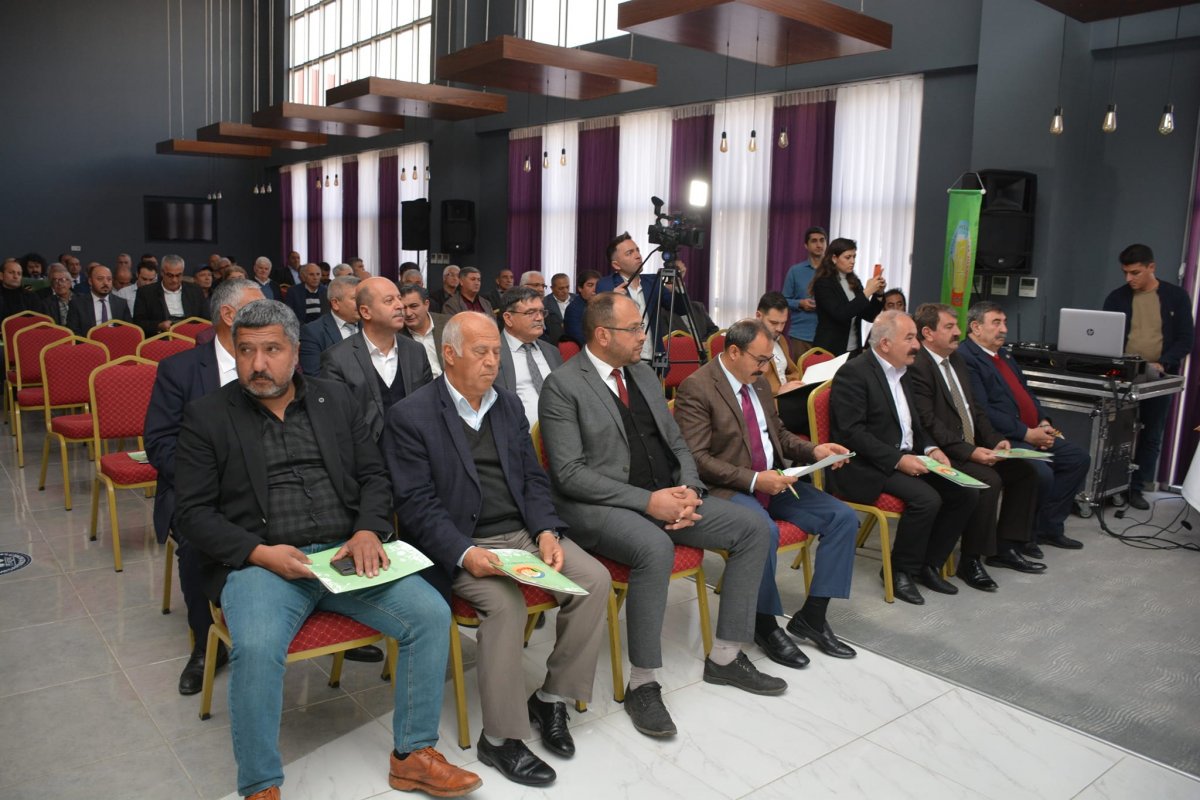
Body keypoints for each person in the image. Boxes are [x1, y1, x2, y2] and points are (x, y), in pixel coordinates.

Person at [173, 299, 481, 800]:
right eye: (246, 351)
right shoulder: (208, 416)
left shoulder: (335, 399)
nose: (257, 363)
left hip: (344, 555)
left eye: (271, 350)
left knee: (430, 613)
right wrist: (258, 553)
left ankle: (413, 756)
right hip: (264, 563)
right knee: (257, 646)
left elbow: (375, 476)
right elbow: (192, 513)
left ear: (295, 353)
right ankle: (260, 785)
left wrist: (368, 530)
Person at [539, 292, 785, 739]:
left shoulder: (643, 375)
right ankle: (643, 684)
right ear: (602, 335)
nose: (643, 336)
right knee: (654, 547)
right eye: (634, 329)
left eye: (642, 327)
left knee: (753, 528)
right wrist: (649, 502)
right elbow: (570, 474)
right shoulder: (563, 385)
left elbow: (678, 444)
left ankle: (726, 657)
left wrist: (689, 489)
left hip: (666, 496)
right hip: (600, 508)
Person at [384, 312, 608, 786]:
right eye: (480, 351)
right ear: (449, 354)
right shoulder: (411, 415)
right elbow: (416, 505)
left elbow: (532, 478)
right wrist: (465, 554)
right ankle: (501, 739)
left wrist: (546, 530)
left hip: (522, 534)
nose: (492, 361)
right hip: (462, 542)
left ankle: (549, 699)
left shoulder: (507, 404)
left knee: (594, 579)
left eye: (496, 352)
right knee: (505, 606)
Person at [675, 319, 860, 666]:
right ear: (733, 352)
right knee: (764, 530)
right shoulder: (696, 387)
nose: (765, 368)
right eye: (760, 360)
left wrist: (815, 450)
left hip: (774, 480)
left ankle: (813, 617)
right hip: (727, 488)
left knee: (842, 518)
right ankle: (764, 623)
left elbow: (778, 435)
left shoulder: (757, 383)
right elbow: (697, 459)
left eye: (768, 360)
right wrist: (754, 480)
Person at [144, 279, 269, 696]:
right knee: (198, 541)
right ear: (229, 316)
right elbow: (160, 443)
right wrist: (208, 479)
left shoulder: (276, 363)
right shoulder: (179, 370)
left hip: (268, 485)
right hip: (197, 490)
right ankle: (205, 644)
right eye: (258, 307)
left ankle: (320, 619)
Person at [829, 310, 979, 605]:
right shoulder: (854, 373)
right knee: (927, 499)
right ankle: (900, 572)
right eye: (909, 338)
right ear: (885, 344)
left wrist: (931, 448)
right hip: (866, 464)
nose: (917, 345)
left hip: (906, 455)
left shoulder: (903, 370)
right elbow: (852, 433)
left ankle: (929, 565)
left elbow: (915, 425)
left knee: (965, 492)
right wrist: (898, 461)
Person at [908, 303, 1044, 590]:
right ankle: (971, 560)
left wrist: (994, 439)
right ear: (928, 333)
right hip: (943, 451)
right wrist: (969, 452)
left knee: (1025, 472)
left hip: (970, 443)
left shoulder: (956, 360)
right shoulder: (919, 366)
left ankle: (1005, 547)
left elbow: (975, 409)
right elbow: (927, 422)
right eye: (950, 327)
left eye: (957, 325)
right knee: (989, 480)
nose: (958, 332)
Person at [959, 301, 1088, 552]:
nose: (1004, 329)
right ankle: (1018, 539)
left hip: (1033, 430)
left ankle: (1046, 528)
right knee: (1039, 472)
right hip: (1002, 437)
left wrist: (1043, 421)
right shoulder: (967, 358)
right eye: (996, 323)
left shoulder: (1005, 355)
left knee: (1078, 458)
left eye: (1005, 322)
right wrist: (1028, 434)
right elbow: (982, 410)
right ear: (975, 327)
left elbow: (1026, 393)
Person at [1102, 243, 1194, 509]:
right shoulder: (1116, 298)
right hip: (1122, 375)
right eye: (1125, 272)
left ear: (1151, 267)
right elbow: (1106, 336)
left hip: (1158, 376)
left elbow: (1185, 339)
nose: (1129, 278)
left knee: (1151, 433)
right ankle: (1109, 485)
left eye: (1135, 272)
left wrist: (1163, 362)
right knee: (1114, 432)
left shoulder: (1176, 297)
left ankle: (1137, 488)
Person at [321, 276, 432, 441]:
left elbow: (429, 404)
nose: (400, 305)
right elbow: (336, 419)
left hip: (414, 447)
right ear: (366, 312)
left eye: (399, 298)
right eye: (389, 301)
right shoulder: (337, 358)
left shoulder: (415, 350)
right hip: (365, 450)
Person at [596, 234, 685, 362]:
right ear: (616, 265)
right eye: (629, 253)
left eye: (637, 250)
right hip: (623, 361)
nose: (638, 255)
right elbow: (598, 322)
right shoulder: (606, 285)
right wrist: (612, 300)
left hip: (654, 361)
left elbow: (681, 309)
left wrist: (679, 285)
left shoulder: (653, 282)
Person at [497, 286, 563, 427]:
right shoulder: (493, 353)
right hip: (515, 434)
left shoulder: (552, 352)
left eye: (541, 312)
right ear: (508, 318)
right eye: (531, 312)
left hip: (559, 431)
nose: (539, 318)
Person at [809, 237, 886, 356]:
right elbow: (841, 314)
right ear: (834, 258)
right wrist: (867, 292)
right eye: (848, 257)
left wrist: (878, 294)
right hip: (830, 349)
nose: (852, 261)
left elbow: (869, 316)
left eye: (854, 256)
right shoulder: (823, 283)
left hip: (854, 349)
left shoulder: (854, 282)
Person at [297, 275, 361, 376]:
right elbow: (315, 376)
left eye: (362, 298)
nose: (362, 303)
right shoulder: (312, 332)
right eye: (355, 298)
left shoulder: (372, 325)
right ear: (335, 303)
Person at [133, 254, 209, 336]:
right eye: (170, 275)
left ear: (183, 273)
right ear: (162, 273)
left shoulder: (195, 291)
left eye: (178, 275)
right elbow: (138, 322)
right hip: (161, 338)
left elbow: (206, 319)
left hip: (191, 336)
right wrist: (158, 326)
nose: (174, 280)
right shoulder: (146, 293)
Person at [781, 227, 826, 360]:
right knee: (801, 372)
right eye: (814, 241)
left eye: (822, 240)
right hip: (801, 334)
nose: (819, 245)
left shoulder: (833, 271)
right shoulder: (795, 271)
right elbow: (783, 300)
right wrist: (800, 303)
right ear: (806, 245)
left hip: (827, 334)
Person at [398, 285, 448, 378]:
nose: (408, 313)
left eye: (413, 306)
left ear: (426, 304)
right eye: (403, 308)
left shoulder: (448, 324)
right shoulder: (396, 335)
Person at [68, 263, 131, 335]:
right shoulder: (77, 304)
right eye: (100, 279)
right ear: (90, 281)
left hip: (115, 340)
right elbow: (73, 332)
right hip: (88, 341)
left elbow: (128, 330)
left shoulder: (121, 303)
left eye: (109, 279)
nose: (105, 283)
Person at [562, 269, 600, 345]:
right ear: (580, 288)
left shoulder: (602, 304)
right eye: (590, 285)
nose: (595, 289)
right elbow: (579, 339)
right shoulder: (573, 309)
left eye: (598, 285)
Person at [544, 273, 573, 342]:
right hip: (554, 344)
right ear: (552, 288)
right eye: (561, 288)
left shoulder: (577, 300)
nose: (565, 291)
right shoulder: (544, 303)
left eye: (567, 287)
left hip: (576, 343)